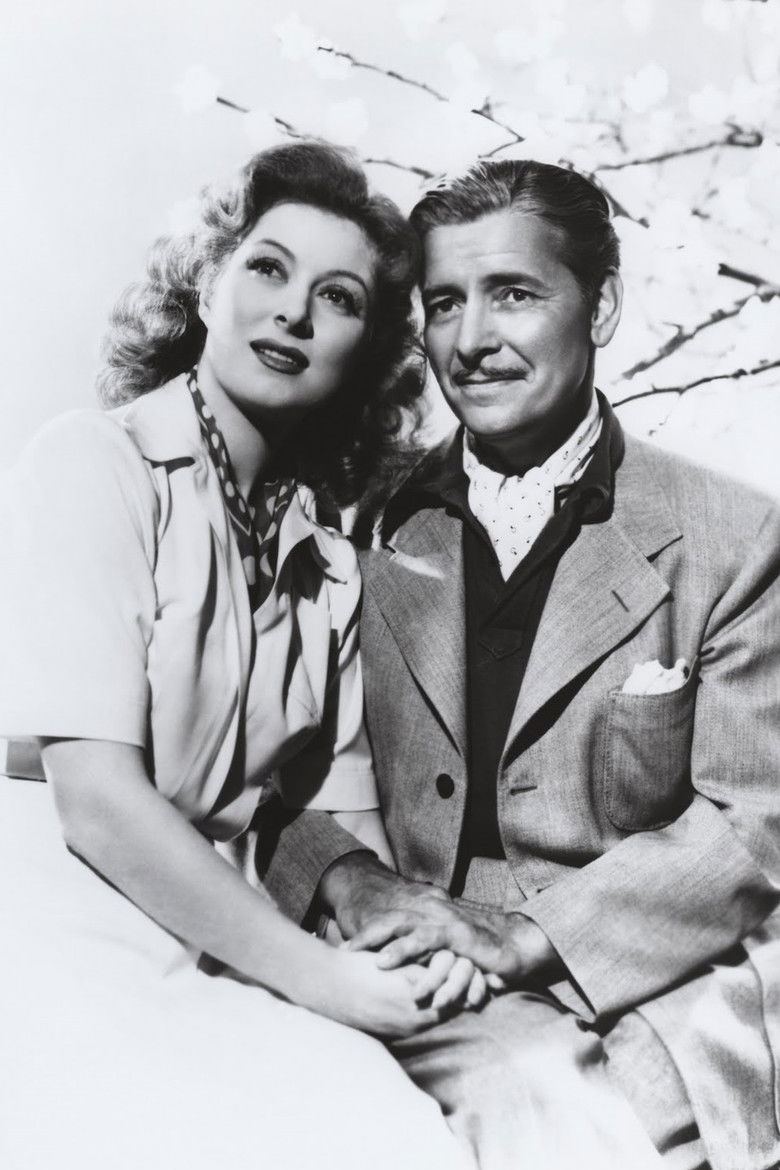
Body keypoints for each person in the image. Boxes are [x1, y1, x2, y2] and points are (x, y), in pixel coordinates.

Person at [259, 159, 780, 1170]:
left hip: (651, 982)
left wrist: (529, 937)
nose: (470, 340)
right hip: (419, 976)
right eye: (445, 302)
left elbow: (753, 822)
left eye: (513, 293)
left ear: (603, 307)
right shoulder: (357, 524)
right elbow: (265, 763)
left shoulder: (734, 536)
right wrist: (354, 882)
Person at [0, 142, 479, 1170]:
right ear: (207, 286)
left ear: (366, 351)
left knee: (388, 1129)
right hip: (44, 899)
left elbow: (344, 829)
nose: (293, 312)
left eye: (338, 298)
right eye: (267, 268)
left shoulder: (332, 566)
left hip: (210, 923)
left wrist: (410, 946)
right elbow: (96, 800)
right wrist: (322, 978)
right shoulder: (96, 461)